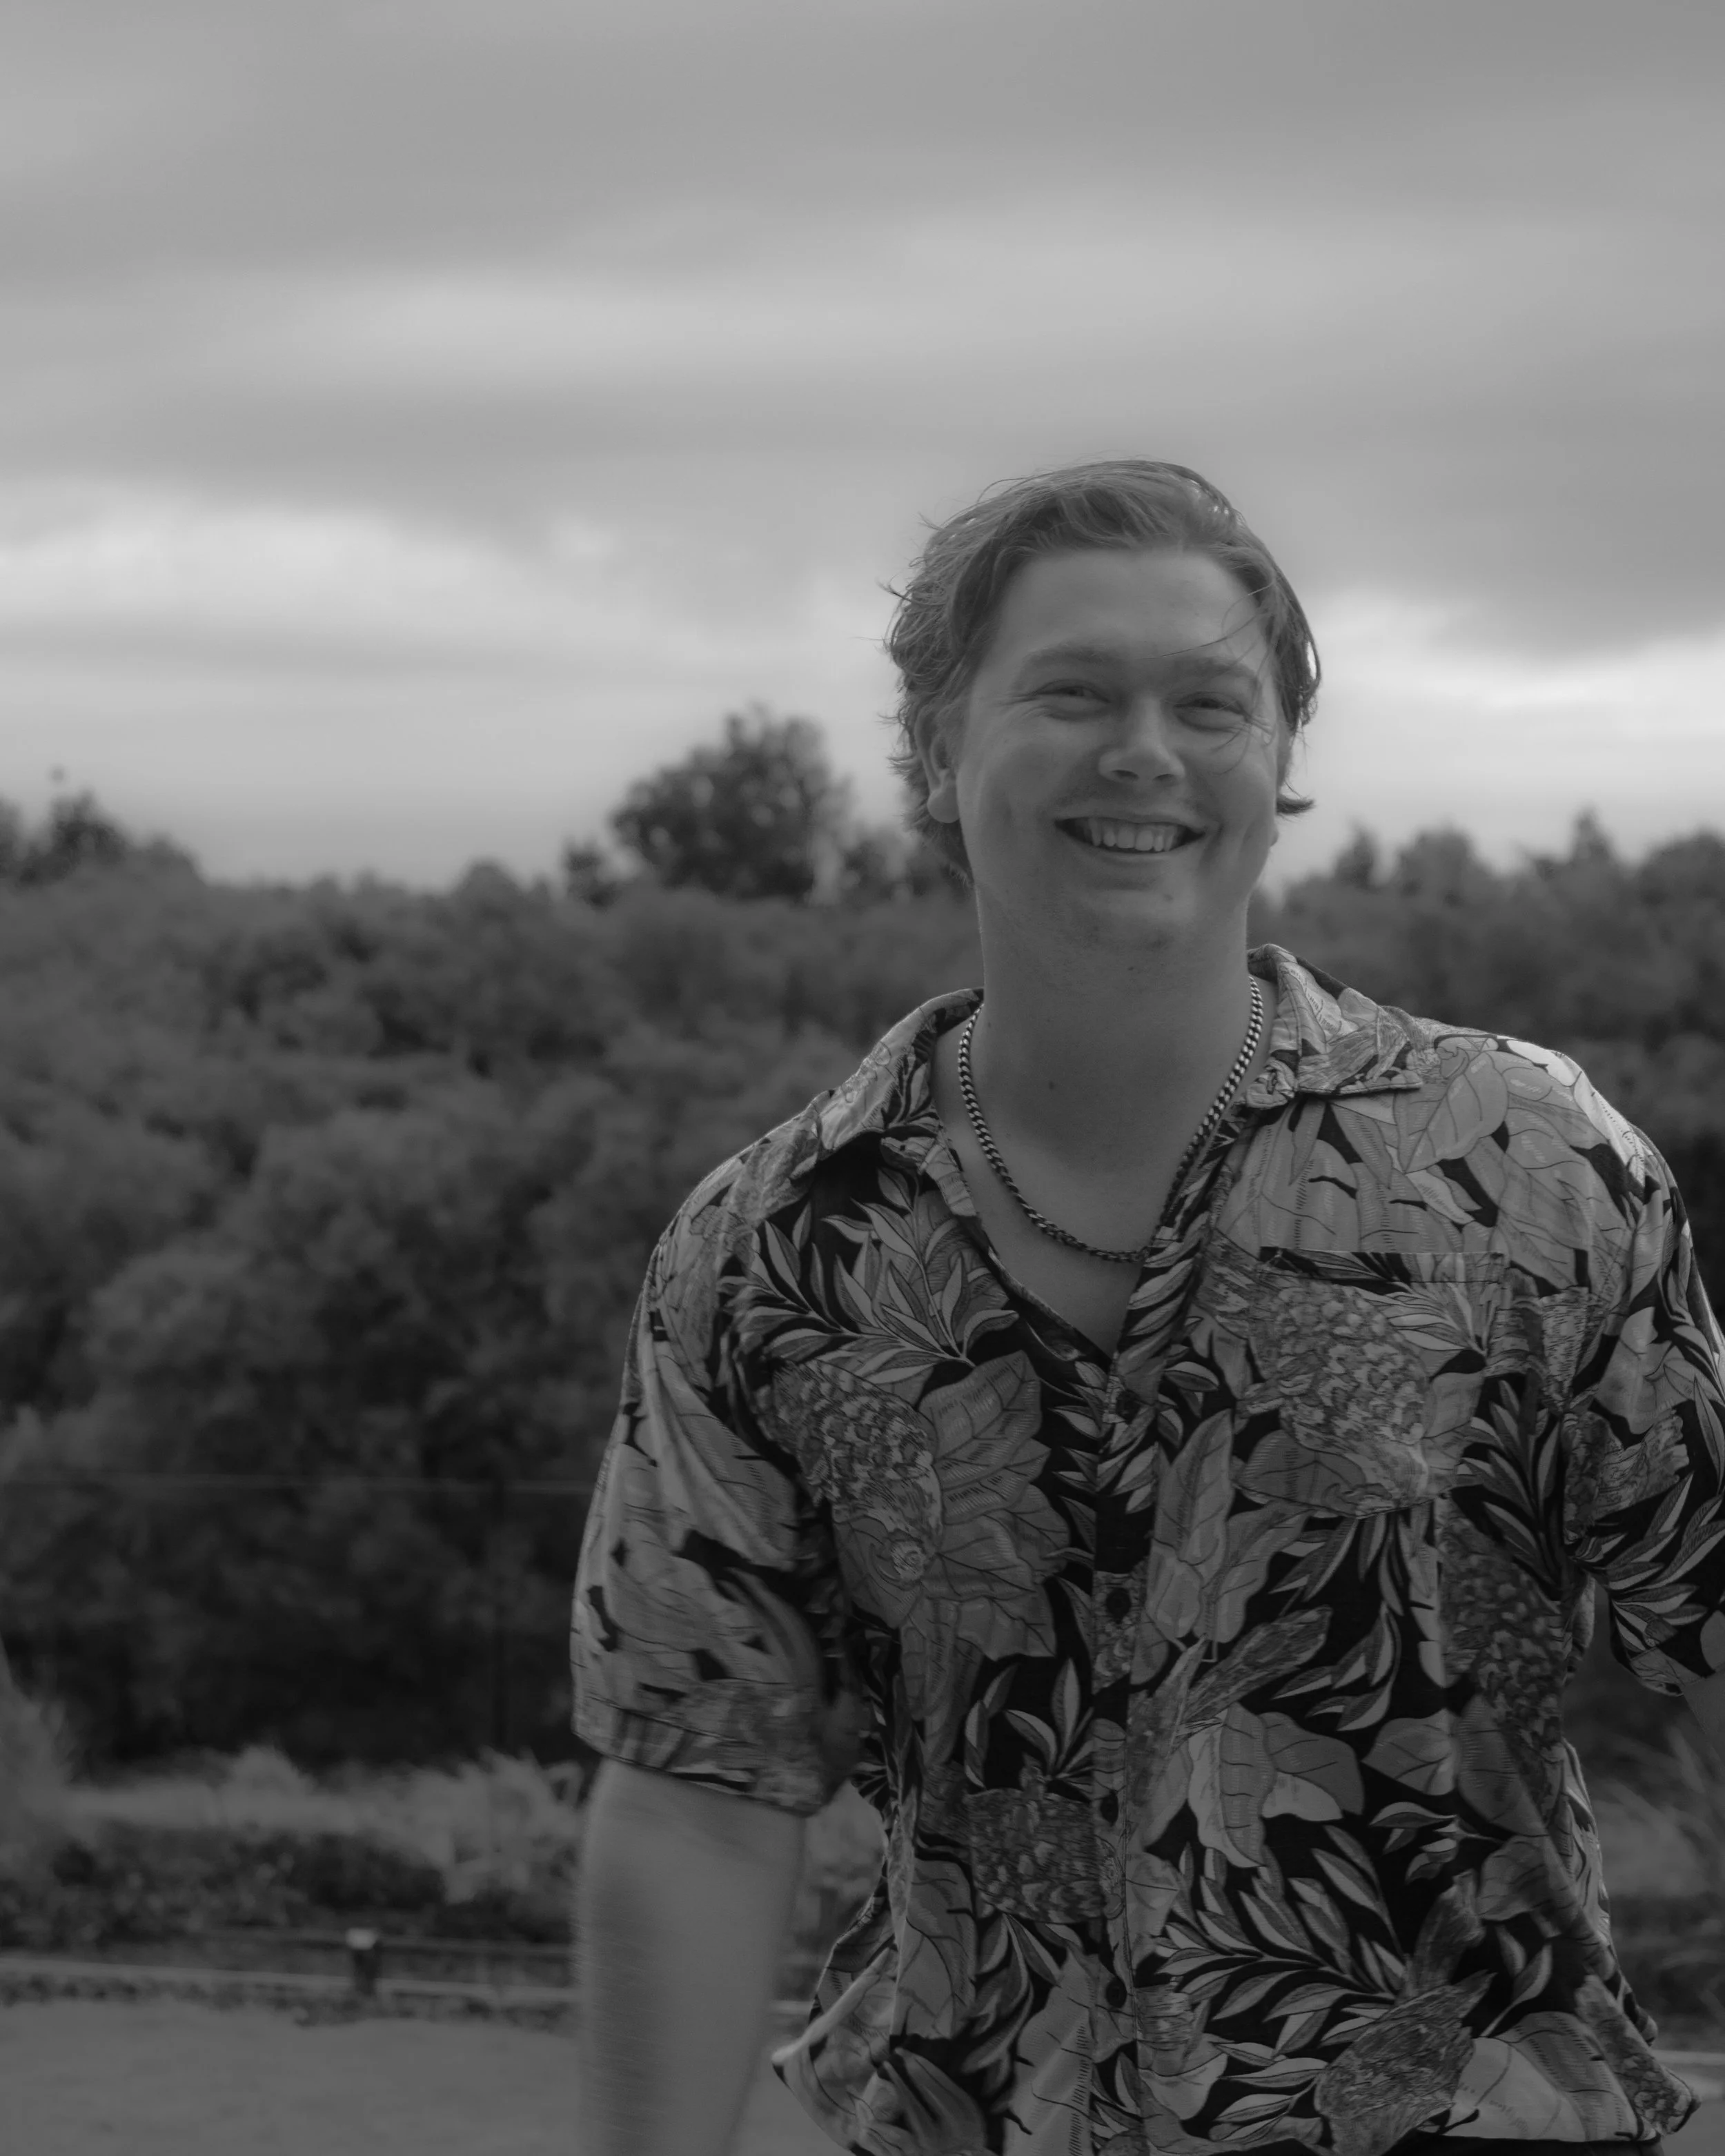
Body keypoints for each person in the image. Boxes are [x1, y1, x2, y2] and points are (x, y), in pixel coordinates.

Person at [570, 459, 1725, 2156]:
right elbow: (694, 1783)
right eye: (1073, 693)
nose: (1144, 752)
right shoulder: (768, 1244)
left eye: (1209, 702)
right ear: (937, 746)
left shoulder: (1523, 1168)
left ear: (1276, 765)